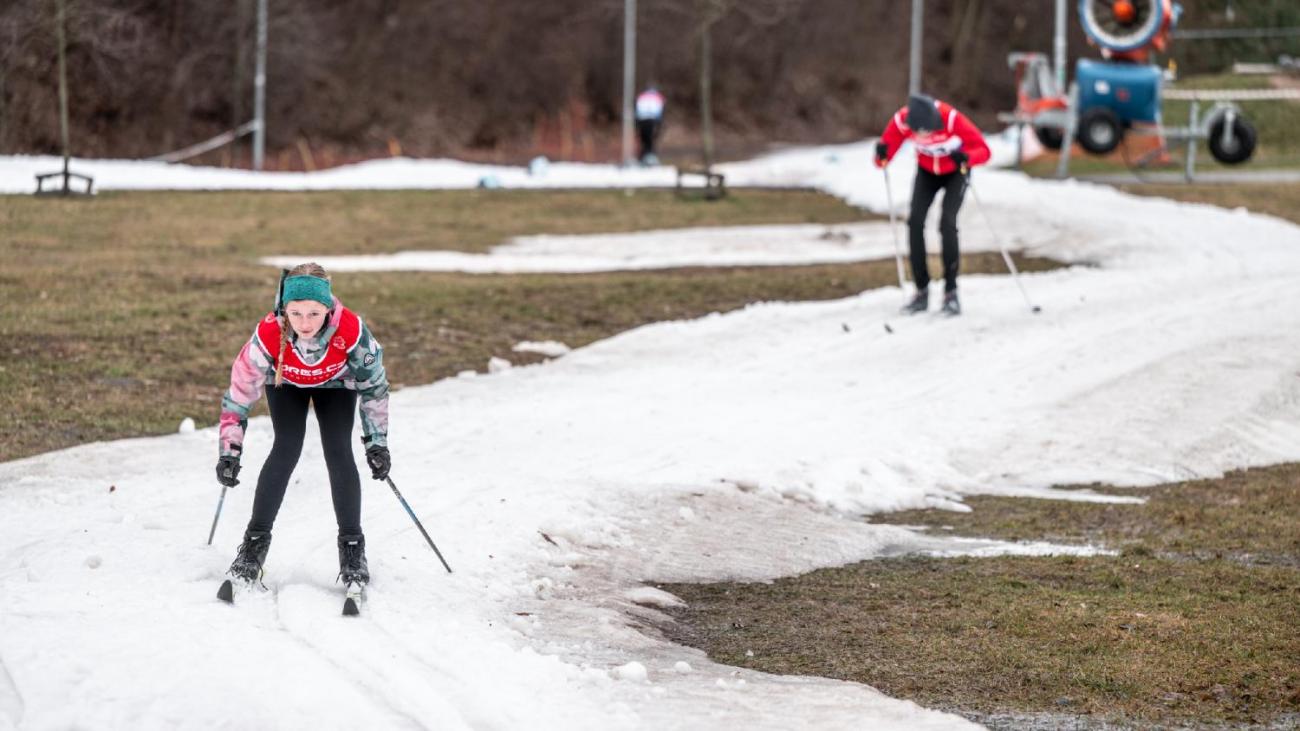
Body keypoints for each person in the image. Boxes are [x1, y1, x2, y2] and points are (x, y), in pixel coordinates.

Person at [215, 262, 390, 591]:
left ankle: (353, 550)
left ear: (327, 307)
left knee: (338, 451)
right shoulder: (268, 333)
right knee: (286, 448)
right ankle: (252, 549)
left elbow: (374, 387)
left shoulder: (351, 331)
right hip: (286, 385)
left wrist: (377, 443)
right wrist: (229, 452)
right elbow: (238, 396)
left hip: (337, 387)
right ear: (284, 309)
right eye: (295, 313)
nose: (304, 323)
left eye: (313, 313)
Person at [874, 93, 990, 316]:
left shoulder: (953, 119)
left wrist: (967, 158)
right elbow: (884, 156)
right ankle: (921, 291)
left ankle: (951, 293)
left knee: (947, 222)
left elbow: (984, 151)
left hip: (956, 172)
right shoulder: (901, 121)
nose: (927, 135)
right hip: (927, 172)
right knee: (915, 222)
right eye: (922, 132)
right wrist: (881, 155)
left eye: (930, 130)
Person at [634, 85, 666, 165]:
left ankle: (644, 156)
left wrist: (636, 122)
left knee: (644, 140)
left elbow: (637, 107)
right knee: (649, 140)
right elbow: (660, 109)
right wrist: (659, 123)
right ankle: (648, 157)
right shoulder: (658, 96)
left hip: (641, 119)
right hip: (652, 119)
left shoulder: (642, 96)